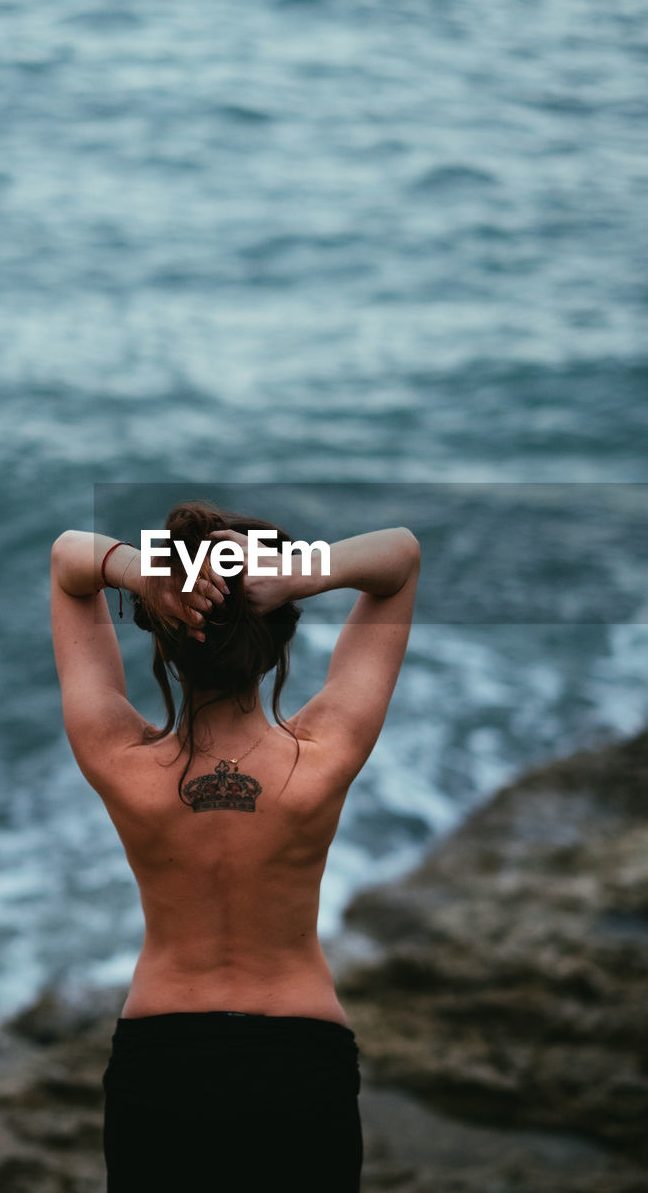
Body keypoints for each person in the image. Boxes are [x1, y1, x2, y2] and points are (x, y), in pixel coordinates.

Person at [50, 500, 421, 1193]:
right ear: (280, 636)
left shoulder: (119, 761)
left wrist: (146, 572)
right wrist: (295, 576)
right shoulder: (321, 760)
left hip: (159, 1064)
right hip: (300, 1063)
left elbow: (68, 560)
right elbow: (398, 559)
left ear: (164, 636)